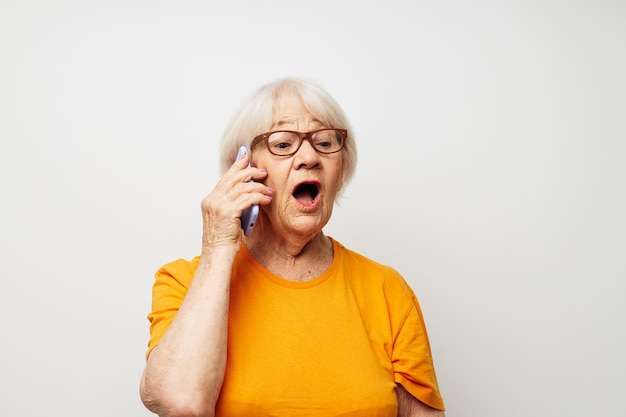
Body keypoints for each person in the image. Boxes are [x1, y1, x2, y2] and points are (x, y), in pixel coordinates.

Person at [139, 77, 446, 417]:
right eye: (283, 144)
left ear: (340, 172)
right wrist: (219, 245)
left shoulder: (388, 291)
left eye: (325, 142)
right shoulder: (184, 282)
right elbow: (181, 403)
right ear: (244, 171)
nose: (310, 157)